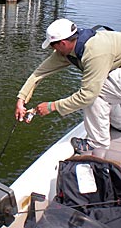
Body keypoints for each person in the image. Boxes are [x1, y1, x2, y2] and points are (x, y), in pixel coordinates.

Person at [15, 18, 121, 155]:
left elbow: (87, 96)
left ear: (63, 43)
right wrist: (21, 99)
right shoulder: (68, 50)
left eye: (53, 46)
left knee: (96, 90)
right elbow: (39, 73)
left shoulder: (95, 52)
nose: (52, 50)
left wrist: (52, 106)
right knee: (101, 91)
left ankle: (97, 144)